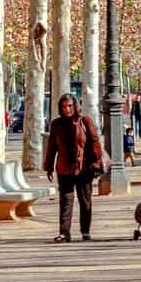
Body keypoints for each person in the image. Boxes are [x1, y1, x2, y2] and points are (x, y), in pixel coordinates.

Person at [41, 94, 103, 243]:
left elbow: (95, 142)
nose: (67, 109)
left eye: (69, 106)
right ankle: (64, 233)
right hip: (64, 168)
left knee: (85, 201)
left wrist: (96, 162)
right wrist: (48, 166)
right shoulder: (56, 124)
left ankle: (85, 232)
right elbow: (51, 147)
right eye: (63, 107)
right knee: (65, 201)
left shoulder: (85, 121)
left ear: (75, 106)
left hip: (84, 168)